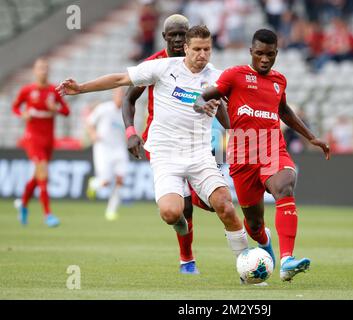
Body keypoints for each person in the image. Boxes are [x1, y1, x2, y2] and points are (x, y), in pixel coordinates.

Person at [56, 25, 249, 279]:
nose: (203, 55)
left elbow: (238, 109)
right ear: (187, 49)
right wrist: (81, 88)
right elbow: (119, 80)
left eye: (207, 49)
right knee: (171, 213)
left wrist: (239, 120)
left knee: (225, 205)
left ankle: (247, 266)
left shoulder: (218, 77)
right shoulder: (163, 67)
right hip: (165, 154)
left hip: (199, 153)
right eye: (198, 49)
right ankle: (180, 225)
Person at [194, 29, 330, 282]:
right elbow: (206, 95)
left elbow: (284, 111)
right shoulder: (235, 75)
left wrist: (311, 137)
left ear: (276, 53)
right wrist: (201, 104)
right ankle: (265, 243)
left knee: (284, 186)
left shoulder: (279, 81)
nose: (264, 59)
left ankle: (288, 260)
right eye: (259, 54)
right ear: (251, 52)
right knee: (254, 225)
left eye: (270, 54)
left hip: (271, 147)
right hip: (242, 153)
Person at [123, 14, 214, 275]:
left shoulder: (200, 63)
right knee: (181, 209)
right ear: (163, 38)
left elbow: (216, 97)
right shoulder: (155, 65)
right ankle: (187, 259)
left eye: (181, 34)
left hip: (196, 141)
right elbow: (128, 100)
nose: (176, 39)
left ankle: (200, 201)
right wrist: (131, 131)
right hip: (163, 143)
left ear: (189, 38)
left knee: (208, 204)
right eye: (171, 35)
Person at [12, 58, 70, 227]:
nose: (43, 71)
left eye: (45, 68)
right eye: (40, 68)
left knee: (38, 176)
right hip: (33, 138)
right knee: (43, 172)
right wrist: (22, 115)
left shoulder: (53, 91)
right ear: (35, 71)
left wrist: (55, 109)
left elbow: (66, 111)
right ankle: (48, 214)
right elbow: (15, 107)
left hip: (48, 139)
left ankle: (23, 204)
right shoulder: (27, 91)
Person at [85, 88, 129, 221]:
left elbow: (129, 130)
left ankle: (111, 210)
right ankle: (94, 184)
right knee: (105, 182)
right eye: (118, 94)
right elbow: (89, 122)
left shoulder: (127, 112)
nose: (120, 97)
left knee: (120, 179)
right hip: (103, 148)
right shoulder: (104, 108)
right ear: (113, 95)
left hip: (119, 148)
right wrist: (92, 134)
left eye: (122, 94)